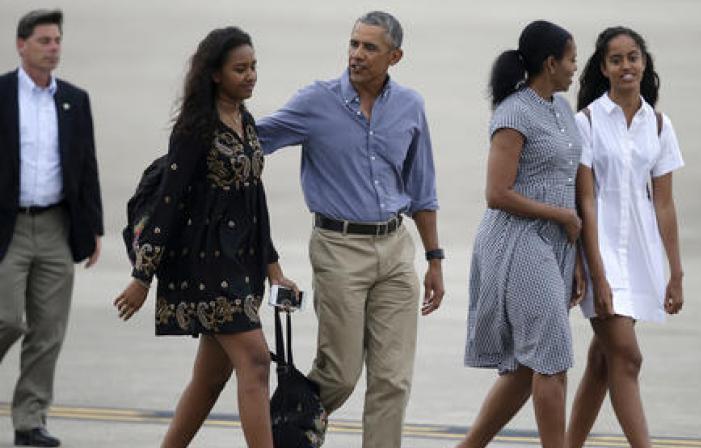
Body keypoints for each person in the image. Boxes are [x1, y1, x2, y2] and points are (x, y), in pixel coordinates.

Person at [256, 11, 445, 448]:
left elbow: (423, 190)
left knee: (392, 379)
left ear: (394, 56)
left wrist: (435, 259)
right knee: (339, 374)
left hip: (396, 249)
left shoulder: (410, 106)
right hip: (338, 247)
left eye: (370, 47)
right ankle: (281, 434)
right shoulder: (315, 101)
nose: (357, 55)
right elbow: (253, 140)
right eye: (354, 44)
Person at [112, 27, 297, 448]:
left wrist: (275, 273)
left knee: (211, 378)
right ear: (214, 74)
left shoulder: (245, 122)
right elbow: (167, 205)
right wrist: (142, 279)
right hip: (206, 267)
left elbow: (255, 203)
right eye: (240, 69)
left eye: (253, 67)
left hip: (240, 263)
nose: (250, 76)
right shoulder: (194, 129)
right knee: (254, 362)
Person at [458, 20, 584, 448]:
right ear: (550, 63)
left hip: (557, 245)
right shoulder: (513, 113)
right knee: (552, 360)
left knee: (531, 366)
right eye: (570, 59)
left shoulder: (563, 110)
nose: (575, 67)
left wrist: (578, 253)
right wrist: (562, 217)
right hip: (518, 241)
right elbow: (497, 194)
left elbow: (570, 182)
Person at [566, 27, 685, 448]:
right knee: (629, 358)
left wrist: (676, 273)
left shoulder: (658, 123)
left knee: (604, 362)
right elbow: (585, 201)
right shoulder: (586, 122)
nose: (626, 66)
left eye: (632, 57)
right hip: (600, 255)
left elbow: (664, 205)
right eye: (616, 60)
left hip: (640, 257)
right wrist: (593, 269)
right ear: (603, 68)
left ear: (644, 62)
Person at [0, 9, 103, 447]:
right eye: (44, 40)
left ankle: (29, 420)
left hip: (57, 225)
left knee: (48, 330)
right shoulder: (2, 94)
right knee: (6, 319)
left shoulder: (74, 100)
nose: (53, 48)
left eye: (57, 40)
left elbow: (87, 166)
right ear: (21, 44)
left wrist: (93, 227)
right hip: (9, 228)